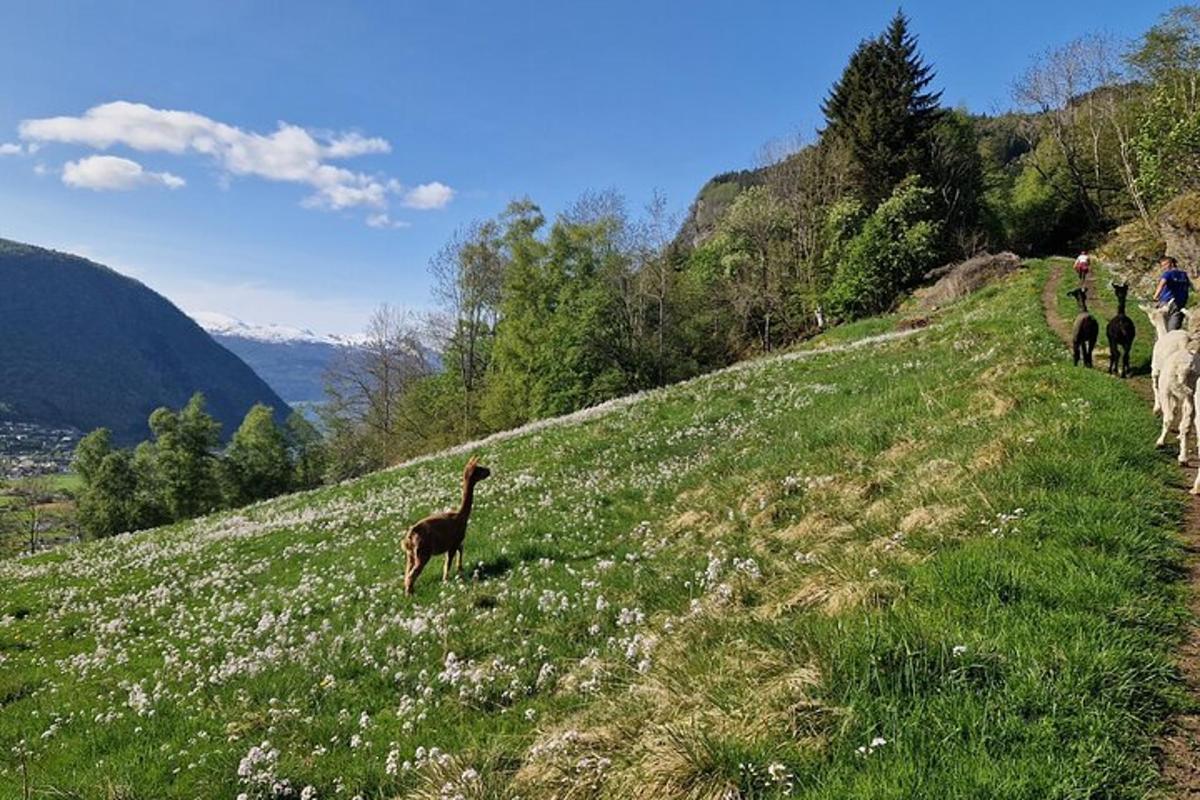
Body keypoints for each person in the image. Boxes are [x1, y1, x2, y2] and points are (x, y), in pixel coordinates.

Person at [1155, 255, 1193, 331]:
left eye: (1165, 265)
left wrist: (1155, 296)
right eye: (1162, 265)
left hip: (1166, 303)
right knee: (1173, 328)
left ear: (1172, 264)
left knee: (1162, 327)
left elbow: (1161, 284)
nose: (1163, 267)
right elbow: (1189, 286)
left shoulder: (1167, 274)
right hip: (1180, 304)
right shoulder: (1184, 275)